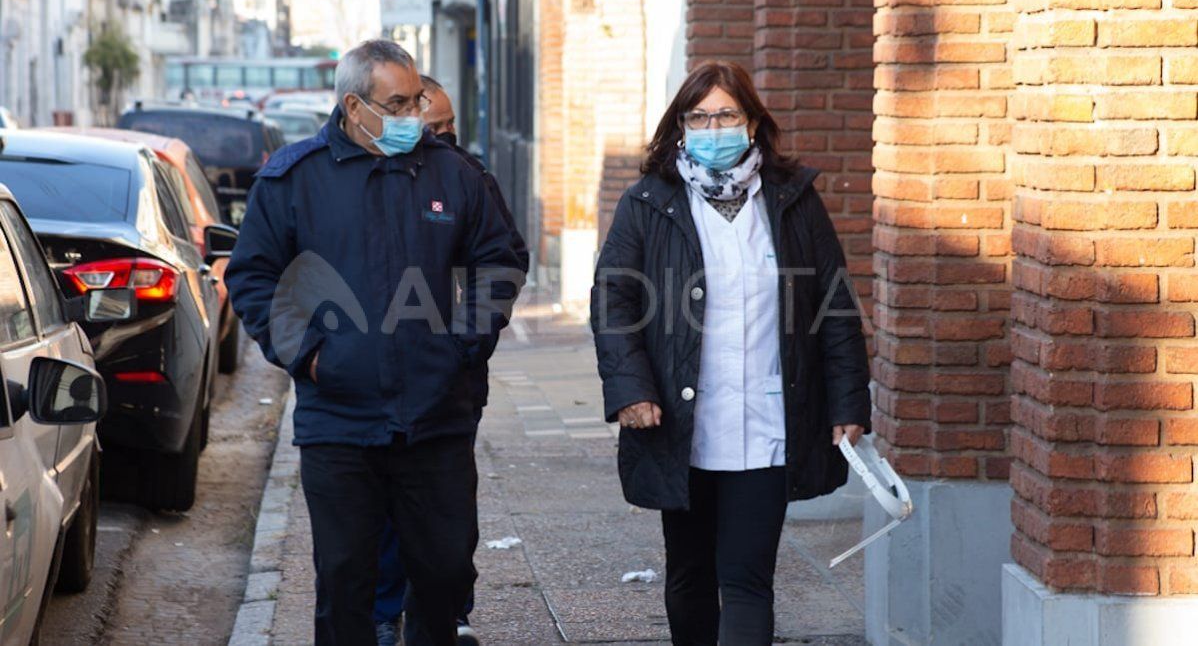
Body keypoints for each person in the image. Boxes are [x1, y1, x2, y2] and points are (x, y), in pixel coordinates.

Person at [226, 39, 525, 646]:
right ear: (354, 106)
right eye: (398, 102)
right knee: (345, 583)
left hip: (435, 417)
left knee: (443, 574)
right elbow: (253, 277)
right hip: (339, 420)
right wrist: (309, 355)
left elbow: (500, 260)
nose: (413, 113)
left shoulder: (453, 173)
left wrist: (464, 345)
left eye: (417, 99)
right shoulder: (294, 179)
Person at [589, 60, 870, 645]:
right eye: (699, 115)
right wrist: (630, 389)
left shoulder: (793, 201)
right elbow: (614, 299)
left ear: (751, 122)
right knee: (691, 575)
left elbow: (834, 306)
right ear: (680, 126)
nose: (712, 126)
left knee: (748, 580)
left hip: (769, 422)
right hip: (680, 420)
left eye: (725, 114)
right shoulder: (650, 201)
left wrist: (848, 402)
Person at [371, 75, 530, 646]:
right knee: (382, 506)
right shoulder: (363, 177)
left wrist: (463, 346)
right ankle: (384, 612)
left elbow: (504, 261)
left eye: (444, 128)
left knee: (449, 505)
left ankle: (449, 609)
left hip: (451, 379)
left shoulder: (468, 180)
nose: (434, 137)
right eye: (426, 126)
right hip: (373, 378)